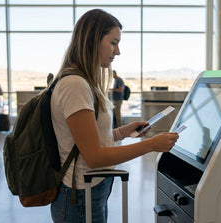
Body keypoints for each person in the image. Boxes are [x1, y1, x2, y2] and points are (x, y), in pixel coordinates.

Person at [50, 9, 179, 223]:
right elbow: (94, 157)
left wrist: (122, 132)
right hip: (81, 195)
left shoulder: (84, 82)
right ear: (92, 40)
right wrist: (151, 145)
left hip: (91, 189)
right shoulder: (75, 84)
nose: (117, 51)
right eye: (113, 42)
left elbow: (84, 140)